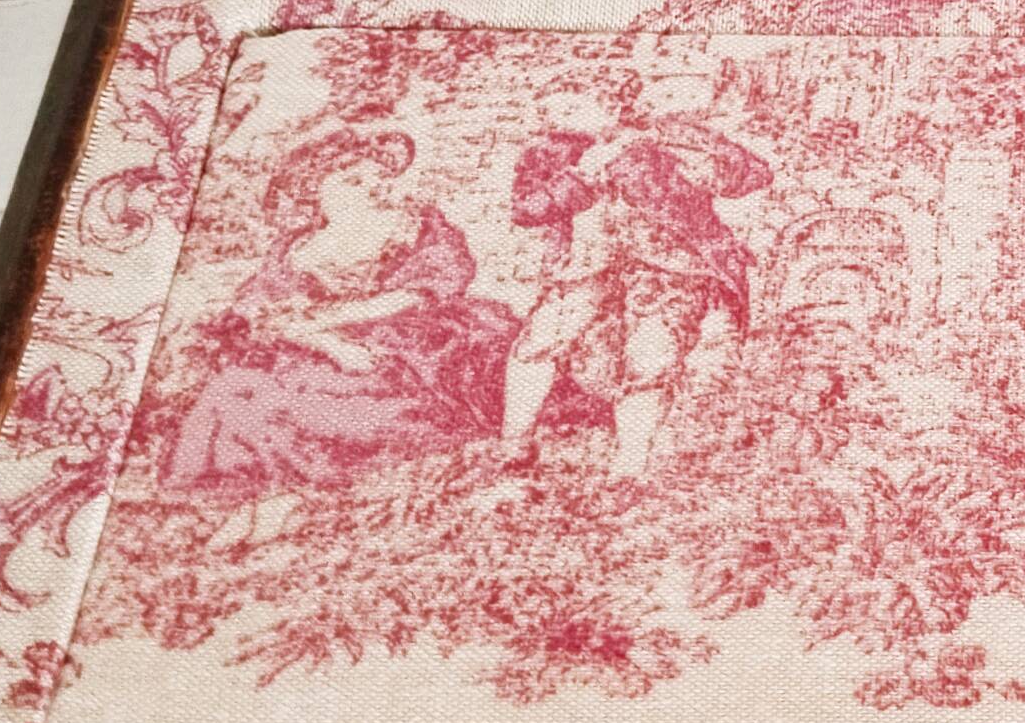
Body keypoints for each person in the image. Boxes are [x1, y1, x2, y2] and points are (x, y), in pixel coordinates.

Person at [158, 128, 518, 513]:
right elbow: (265, 314)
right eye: (354, 180)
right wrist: (329, 341)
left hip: (407, 348)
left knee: (309, 405)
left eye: (380, 179)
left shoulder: (414, 227)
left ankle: (291, 495)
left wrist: (324, 323)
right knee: (236, 387)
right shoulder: (296, 248)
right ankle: (241, 491)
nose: (373, 188)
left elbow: (418, 294)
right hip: (320, 350)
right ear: (316, 191)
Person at [504, 103, 772, 478]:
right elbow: (525, 210)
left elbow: (754, 174)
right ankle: (514, 443)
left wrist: (695, 156)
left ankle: (629, 470)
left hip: (671, 267)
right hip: (588, 265)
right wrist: (582, 175)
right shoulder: (551, 151)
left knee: (652, 359)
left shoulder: (671, 135)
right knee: (540, 342)